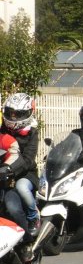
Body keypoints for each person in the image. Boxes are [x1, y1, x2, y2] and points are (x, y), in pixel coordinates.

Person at [1, 93, 40, 236]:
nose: (13, 117)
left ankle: (32, 218)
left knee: (14, 205)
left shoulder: (32, 134)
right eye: (10, 113)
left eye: (17, 114)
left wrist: (10, 169)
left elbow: (28, 160)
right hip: (2, 175)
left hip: (25, 174)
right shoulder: (2, 131)